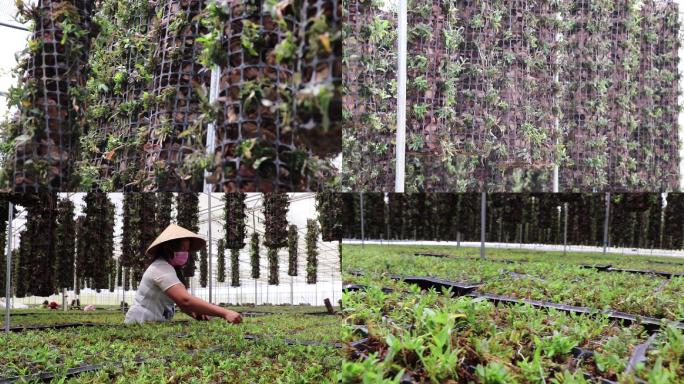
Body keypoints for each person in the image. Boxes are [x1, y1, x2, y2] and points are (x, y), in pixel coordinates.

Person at [124, 224, 242, 325]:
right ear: (168, 248)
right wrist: (225, 313)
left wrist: (195, 311)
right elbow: (185, 300)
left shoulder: (168, 268)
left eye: (187, 250)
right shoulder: (160, 268)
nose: (185, 253)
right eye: (181, 248)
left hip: (150, 323)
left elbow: (182, 303)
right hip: (139, 322)